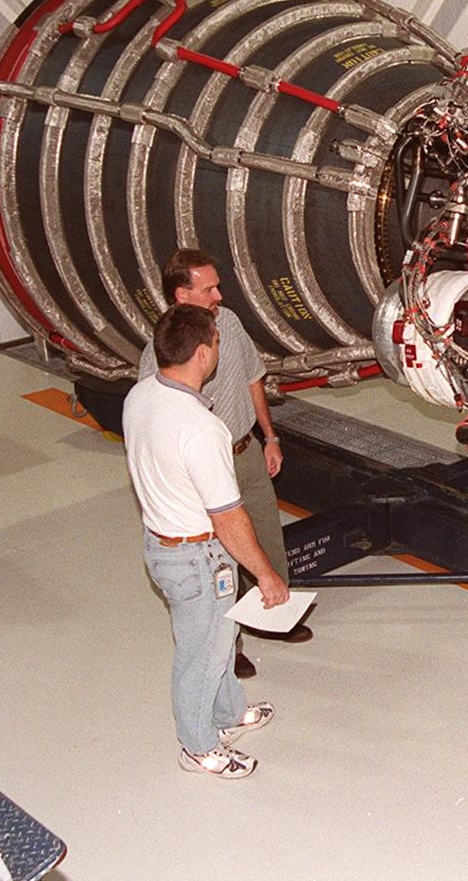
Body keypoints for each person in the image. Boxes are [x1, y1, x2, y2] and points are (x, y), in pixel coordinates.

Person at [123, 303, 290, 778]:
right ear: (202, 355)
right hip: (196, 556)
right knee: (203, 653)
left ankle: (227, 712)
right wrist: (265, 575)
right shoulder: (201, 429)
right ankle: (197, 746)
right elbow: (229, 517)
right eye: (217, 342)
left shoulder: (141, 395)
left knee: (221, 634)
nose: (220, 347)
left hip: (165, 545)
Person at [138, 248, 310, 681]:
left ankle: (274, 615)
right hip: (204, 470)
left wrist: (269, 437)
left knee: (268, 536)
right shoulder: (159, 354)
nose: (219, 294)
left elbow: (253, 377)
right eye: (209, 288)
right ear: (182, 295)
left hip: (244, 451)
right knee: (221, 559)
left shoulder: (228, 323)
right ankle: (228, 644)